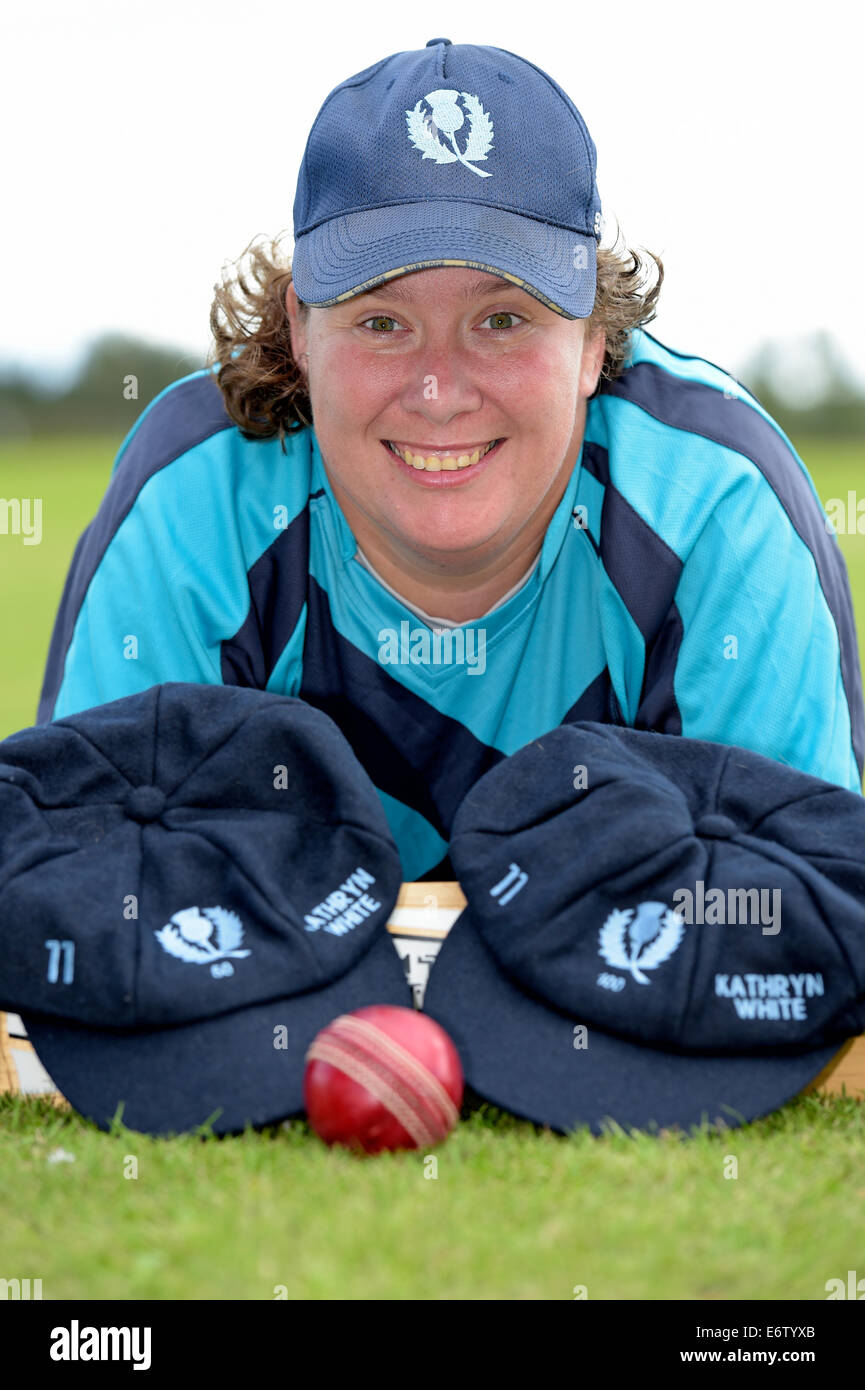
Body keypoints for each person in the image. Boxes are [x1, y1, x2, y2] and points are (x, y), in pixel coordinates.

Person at [37, 38, 864, 883]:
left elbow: (792, 913)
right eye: (381, 322)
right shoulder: (194, 493)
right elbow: (95, 898)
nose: (438, 392)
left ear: (593, 338)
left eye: (501, 320)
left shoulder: (714, 504)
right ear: (299, 330)